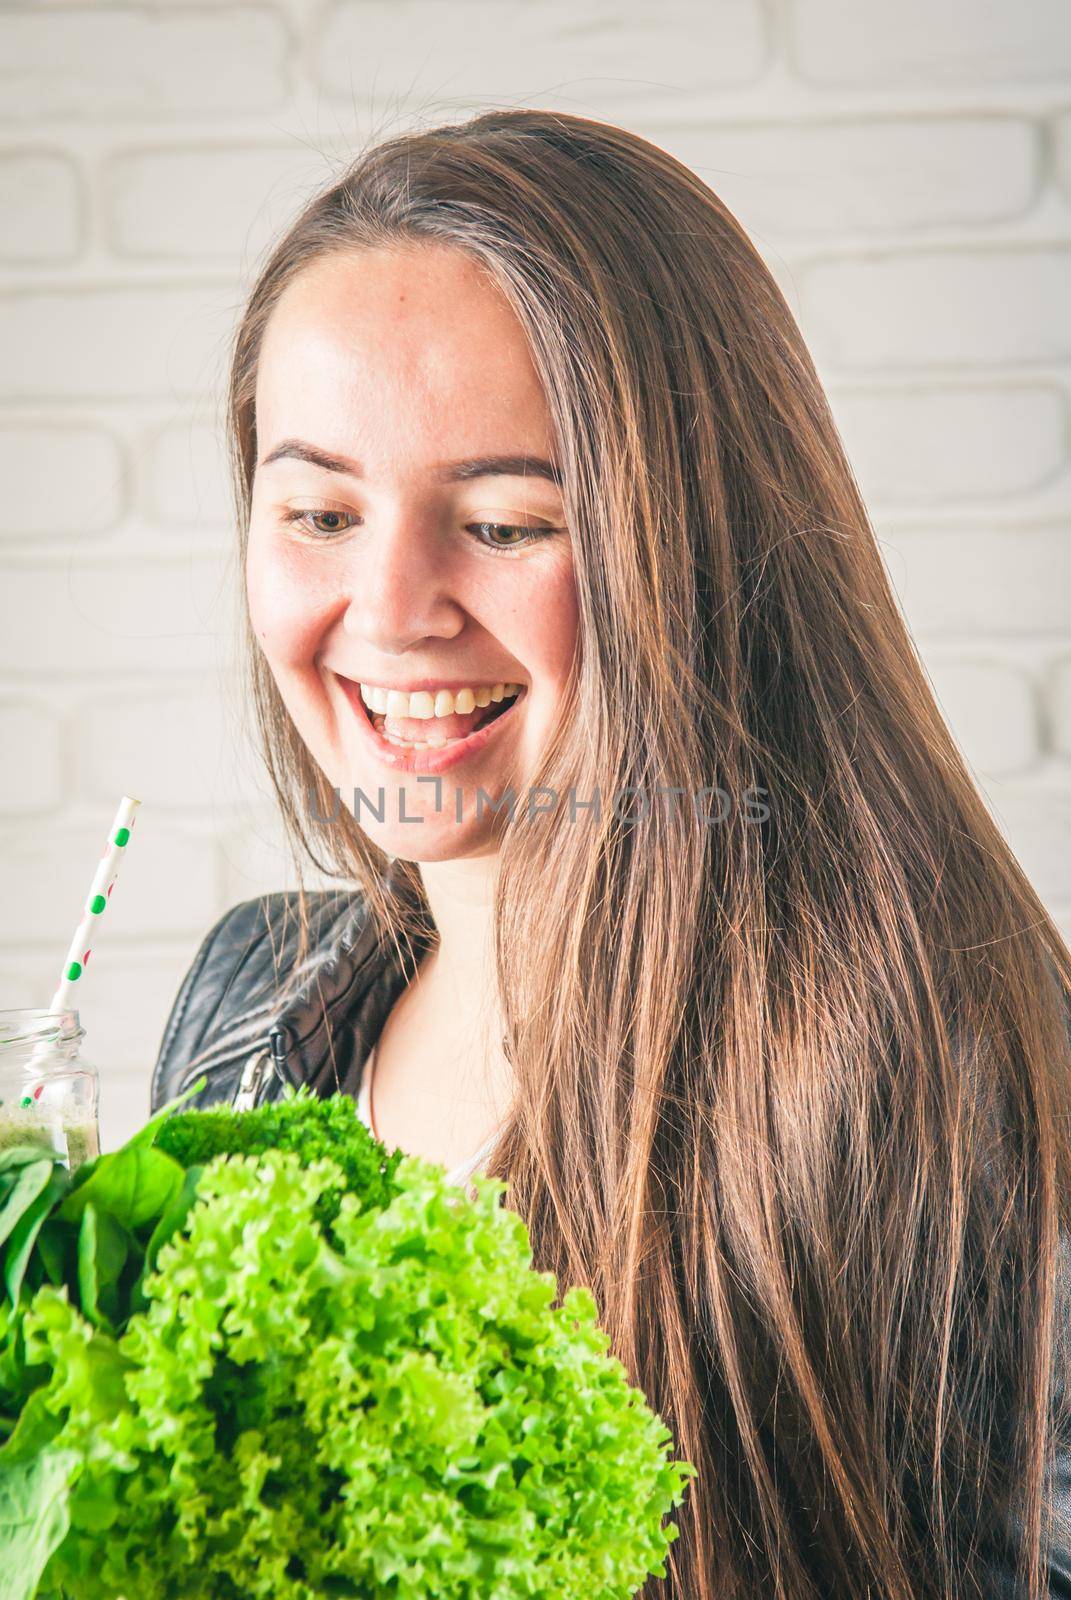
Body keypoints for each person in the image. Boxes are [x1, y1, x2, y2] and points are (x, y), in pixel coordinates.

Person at [150, 108, 1071, 1598]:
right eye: (319, 510)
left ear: (693, 545)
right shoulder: (247, 1008)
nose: (390, 608)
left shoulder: (928, 1070)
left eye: (507, 524)